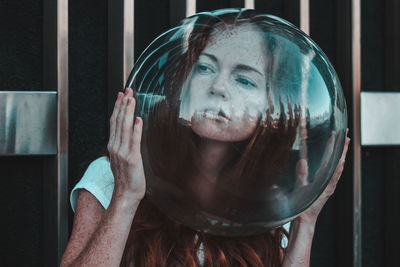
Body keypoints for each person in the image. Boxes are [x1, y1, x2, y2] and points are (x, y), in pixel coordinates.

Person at [60, 9, 350, 267]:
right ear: (185, 83)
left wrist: (306, 221)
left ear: (269, 106)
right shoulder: (115, 173)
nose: (218, 86)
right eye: (205, 67)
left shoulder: (269, 200)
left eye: (244, 79)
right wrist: (125, 197)